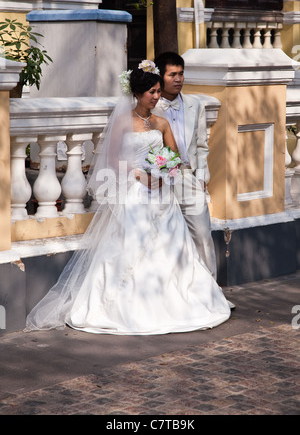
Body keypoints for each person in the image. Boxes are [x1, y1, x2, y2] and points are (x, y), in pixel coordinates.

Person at [25, 60, 231, 335]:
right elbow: (112, 160)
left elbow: (177, 157)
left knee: (171, 246)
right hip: (135, 192)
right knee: (130, 244)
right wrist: (139, 175)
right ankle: (122, 306)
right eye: (152, 92)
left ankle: (174, 301)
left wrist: (164, 173)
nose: (157, 96)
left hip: (161, 194)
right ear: (137, 94)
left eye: (159, 91)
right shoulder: (123, 121)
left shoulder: (162, 122)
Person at [154, 52, 217, 281]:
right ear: (160, 77)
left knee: (202, 235)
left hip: (189, 178)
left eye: (181, 74)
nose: (179, 79)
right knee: (164, 239)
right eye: (172, 74)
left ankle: (212, 291)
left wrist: (201, 178)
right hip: (160, 181)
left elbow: (202, 145)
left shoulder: (195, 105)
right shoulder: (150, 106)